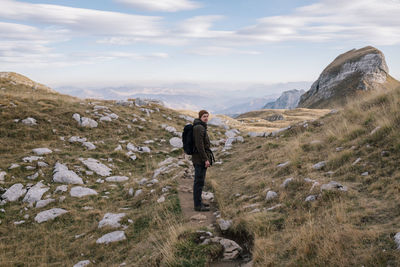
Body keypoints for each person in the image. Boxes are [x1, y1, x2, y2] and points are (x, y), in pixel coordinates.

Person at [192, 110, 214, 212]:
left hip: (199, 158)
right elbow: (199, 146)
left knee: (200, 182)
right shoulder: (199, 128)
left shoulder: (200, 126)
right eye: (204, 116)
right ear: (200, 117)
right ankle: (197, 205)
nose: (206, 118)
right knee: (199, 182)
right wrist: (205, 159)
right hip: (199, 159)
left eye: (207, 116)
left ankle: (199, 202)